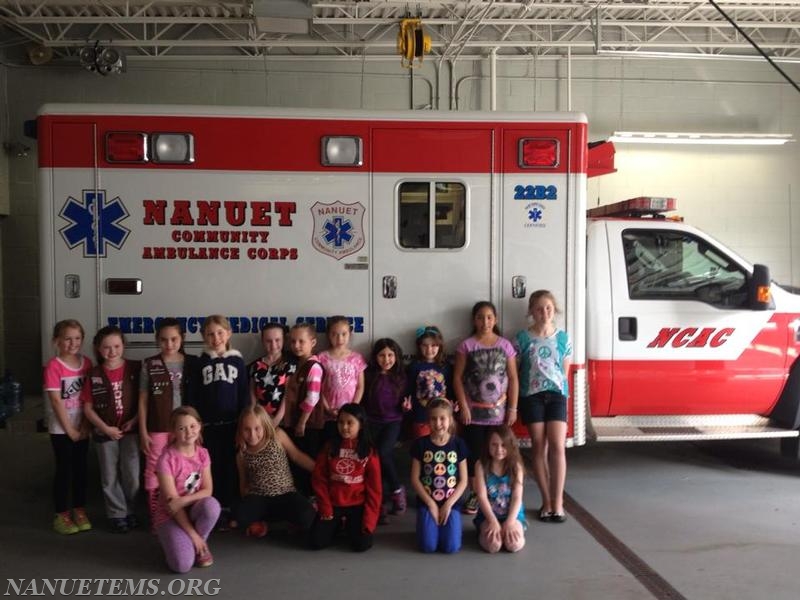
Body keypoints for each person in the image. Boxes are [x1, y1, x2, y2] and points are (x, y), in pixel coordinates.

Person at [453, 301, 519, 515]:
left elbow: (513, 378)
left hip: (499, 416)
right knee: (474, 456)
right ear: (474, 320)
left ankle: (495, 493)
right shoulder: (467, 346)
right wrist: (463, 406)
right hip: (474, 415)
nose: (485, 322)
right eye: (480, 317)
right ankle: (474, 494)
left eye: (489, 317)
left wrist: (512, 409)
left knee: (496, 454)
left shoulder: (505, 346)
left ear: (496, 320)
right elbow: (457, 378)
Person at [515, 290, 572, 523]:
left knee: (558, 446)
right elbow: (516, 370)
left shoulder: (563, 338)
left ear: (554, 310)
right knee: (539, 446)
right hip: (532, 396)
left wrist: (557, 390)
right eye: (539, 308)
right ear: (531, 312)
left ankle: (558, 503)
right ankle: (546, 501)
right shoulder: (521, 338)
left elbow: (564, 371)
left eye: (548, 308)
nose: (544, 313)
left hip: (556, 395)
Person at [189, 315, 249, 528]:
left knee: (231, 468)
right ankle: (212, 510)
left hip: (232, 426)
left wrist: (242, 427)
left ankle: (230, 508)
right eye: (210, 334)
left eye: (220, 333)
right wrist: (197, 427)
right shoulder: (200, 363)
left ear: (228, 333)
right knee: (210, 469)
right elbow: (193, 396)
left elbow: (244, 396)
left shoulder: (238, 361)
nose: (215, 338)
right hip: (209, 428)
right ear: (204, 337)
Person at [82, 325, 142, 533]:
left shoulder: (136, 368)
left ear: (123, 345)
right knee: (109, 476)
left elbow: (144, 401)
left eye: (116, 346)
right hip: (104, 433)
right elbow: (88, 408)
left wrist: (134, 420)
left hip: (130, 432)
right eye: (106, 347)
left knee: (132, 475)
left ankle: (130, 509)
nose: (112, 351)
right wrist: (105, 428)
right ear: (98, 349)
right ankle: (117, 513)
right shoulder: (94, 374)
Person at [139, 318, 197, 529]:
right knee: (154, 469)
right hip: (158, 427)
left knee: (185, 468)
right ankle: (157, 514)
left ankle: (183, 512)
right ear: (157, 340)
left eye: (174, 339)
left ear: (182, 338)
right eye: (163, 340)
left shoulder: (193, 362)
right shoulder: (149, 364)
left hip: (186, 428)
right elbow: (143, 400)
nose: (169, 344)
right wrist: (143, 431)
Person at [154, 406, 220, 573]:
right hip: (171, 516)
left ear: (199, 426)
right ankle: (184, 542)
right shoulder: (166, 460)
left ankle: (200, 545)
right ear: (173, 432)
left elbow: (207, 490)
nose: (189, 432)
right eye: (182, 428)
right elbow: (172, 507)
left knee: (212, 506)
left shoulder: (203, 454)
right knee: (182, 566)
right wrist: (193, 534)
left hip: (192, 510)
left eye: (192, 426)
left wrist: (183, 500)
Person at [235, 405, 316, 538]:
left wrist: (318, 470)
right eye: (247, 430)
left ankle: (275, 524)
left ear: (265, 425)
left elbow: (296, 455)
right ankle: (270, 524)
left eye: (257, 428)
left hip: (286, 493)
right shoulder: (242, 454)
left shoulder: (277, 436)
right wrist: (246, 504)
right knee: (241, 515)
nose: (252, 434)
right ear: (240, 430)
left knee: (307, 516)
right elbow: (243, 482)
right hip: (260, 497)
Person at [309, 403, 381, 552]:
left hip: (357, 504)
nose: (344, 427)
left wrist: (369, 521)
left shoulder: (369, 452)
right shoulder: (329, 447)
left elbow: (375, 490)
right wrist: (325, 508)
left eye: (350, 423)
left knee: (362, 544)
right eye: (341, 422)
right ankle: (337, 525)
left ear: (360, 425)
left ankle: (349, 526)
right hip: (333, 503)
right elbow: (319, 479)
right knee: (316, 542)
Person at [43, 319, 93, 535]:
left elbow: (89, 398)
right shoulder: (54, 366)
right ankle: (61, 513)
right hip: (61, 429)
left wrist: (83, 426)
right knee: (64, 470)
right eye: (67, 339)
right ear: (57, 341)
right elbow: (56, 401)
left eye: (77, 338)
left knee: (81, 470)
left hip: (82, 427)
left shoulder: (87, 363)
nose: (73, 343)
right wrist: (70, 430)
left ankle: (79, 510)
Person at [409, 398, 469, 554]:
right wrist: (431, 504)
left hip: (451, 502)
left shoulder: (458, 444)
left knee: (451, 547)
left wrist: (448, 504)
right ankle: (426, 523)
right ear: (428, 421)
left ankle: (447, 525)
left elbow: (463, 480)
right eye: (433, 419)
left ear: (450, 420)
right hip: (427, 502)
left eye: (442, 418)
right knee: (428, 546)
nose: (438, 423)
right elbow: (415, 478)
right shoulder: (420, 444)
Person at [363, 338, 410, 520]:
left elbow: (406, 402)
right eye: (382, 355)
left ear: (397, 356)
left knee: (383, 452)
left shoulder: (400, 377)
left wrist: (406, 408)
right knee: (374, 458)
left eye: (390, 355)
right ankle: (378, 500)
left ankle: (397, 489)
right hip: (372, 422)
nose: (386, 359)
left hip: (393, 422)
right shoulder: (370, 376)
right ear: (375, 357)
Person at [473, 426, 527, 553]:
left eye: (503, 445)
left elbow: (517, 497)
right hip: (488, 516)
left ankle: (517, 529)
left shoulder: (516, 467)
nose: (499, 450)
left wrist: (510, 521)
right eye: (494, 445)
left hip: (513, 515)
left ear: (510, 445)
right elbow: (481, 496)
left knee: (514, 545)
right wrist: (492, 521)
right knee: (493, 546)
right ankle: (485, 531)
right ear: (488, 446)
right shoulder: (481, 465)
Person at [281, 322, 325, 471]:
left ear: (312, 342)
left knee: (308, 458)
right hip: (296, 421)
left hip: (309, 423)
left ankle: (312, 491)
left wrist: (302, 422)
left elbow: (312, 397)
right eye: (293, 341)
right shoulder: (296, 364)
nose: (296, 345)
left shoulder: (314, 367)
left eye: (301, 341)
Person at [318, 316, 367, 442]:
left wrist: (353, 408)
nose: (339, 338)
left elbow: (360, 386)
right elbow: (317, 388)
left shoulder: (357, 358)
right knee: (330, 446)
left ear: (349, 334)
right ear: (328, 335)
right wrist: (327, 409)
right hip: (329, 415)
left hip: (351, 416)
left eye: (344, 334)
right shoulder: (322, 358)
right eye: (334, 334)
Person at [406, 325, 451, 439]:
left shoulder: (445, 367)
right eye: (425, 345)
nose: (429, 349)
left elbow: (450, 389)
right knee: (423, 449)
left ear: (439, 346)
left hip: (442, 417)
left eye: (433, 345)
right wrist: (407, 406)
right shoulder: (414, 366)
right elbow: (409, 389)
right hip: (421, 417)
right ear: (419, 346)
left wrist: (453, 405)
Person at [249, 323, 296, 426]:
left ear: (284, 340)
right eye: (268, 341)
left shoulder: (289, 365)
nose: (273, 345)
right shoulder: (255, 365)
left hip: (282, 420)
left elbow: (287, 395)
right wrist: (256, 417)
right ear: (262, 341)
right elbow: (253, 394)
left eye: (277, 340)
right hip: (261, 420)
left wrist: (277, 419)